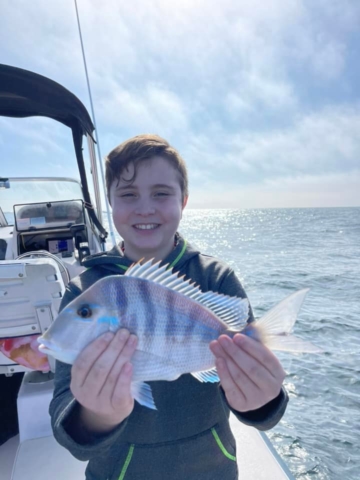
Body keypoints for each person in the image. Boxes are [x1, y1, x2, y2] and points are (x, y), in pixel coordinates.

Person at [50, 134, 288, 480]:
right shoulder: (86, 291)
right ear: (111, 205)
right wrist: (96, 415)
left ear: (184, 200)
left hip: (212, 470)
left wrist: (262, 399)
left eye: (161, 193)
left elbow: (255, 404)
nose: (145, 207)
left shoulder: (216, 278)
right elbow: (63, 413)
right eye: (128, 195)